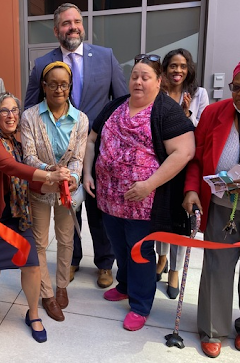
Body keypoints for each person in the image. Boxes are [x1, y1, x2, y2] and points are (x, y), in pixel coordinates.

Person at [84, 54, 194, 332]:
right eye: (134, 76)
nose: (138, 81)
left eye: (145, 77)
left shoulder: (166, 111)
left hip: (143, 202)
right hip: (109, 198)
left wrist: (149, 184)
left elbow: (184, 151)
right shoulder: (116, 105)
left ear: (159, 81)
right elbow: (91, 139)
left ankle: (141, 304)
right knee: (119, 246)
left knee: (140, 252)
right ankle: (125, 285)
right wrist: (87, 172)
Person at [24, 2, 127, 287]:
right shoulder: (43, 63)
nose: (73, 27)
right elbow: (30, 104)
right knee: (69, 207)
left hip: (96, 149)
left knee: (97, 206)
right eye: (66, 23)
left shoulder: (104, 57)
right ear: (57, 30)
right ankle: (72, 260)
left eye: (77, 22)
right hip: (59, 152)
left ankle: (105, 264)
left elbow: (121, 101)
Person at [183, 54, 240, 358]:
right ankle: (212, 328)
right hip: (221, 207)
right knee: (216, 269)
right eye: (236, 87)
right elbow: (196, 158)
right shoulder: (214, 113)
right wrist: (192, 189)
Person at [0, 92, 71, 342]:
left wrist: (57, 184)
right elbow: (10, 167)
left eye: (15, 110)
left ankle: (33, 314)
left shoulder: (18, 145)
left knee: (32, 266)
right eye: (5, 110)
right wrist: (48, 176)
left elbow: (27, 182)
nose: (11, 115)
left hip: (17, 216)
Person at [21, 61, 89, 322]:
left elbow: (79, 159)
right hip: (39, 189)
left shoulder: (80, 119)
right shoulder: (29, 117)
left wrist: (71, 177)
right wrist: (51, 170)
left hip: (66, 191)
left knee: (66, 239)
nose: (59, 89)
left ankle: (62, 285)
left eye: (64, 84)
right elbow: (28, 156)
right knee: (39, 242)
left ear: (69, 87)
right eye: (53, 84)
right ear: (44, 86)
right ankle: (47, 293)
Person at [155, 48, 210, 299]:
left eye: (183, 66)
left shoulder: (198, 94)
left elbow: (203, 131)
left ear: (189, 69)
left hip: (186, 167)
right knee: (161, 216)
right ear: (165, 69)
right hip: (161, 165)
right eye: (173, 66)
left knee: (180, 220)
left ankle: (175, 270)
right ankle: (162, 258)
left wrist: (186, 114)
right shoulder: (159, 92)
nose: (178, 70)